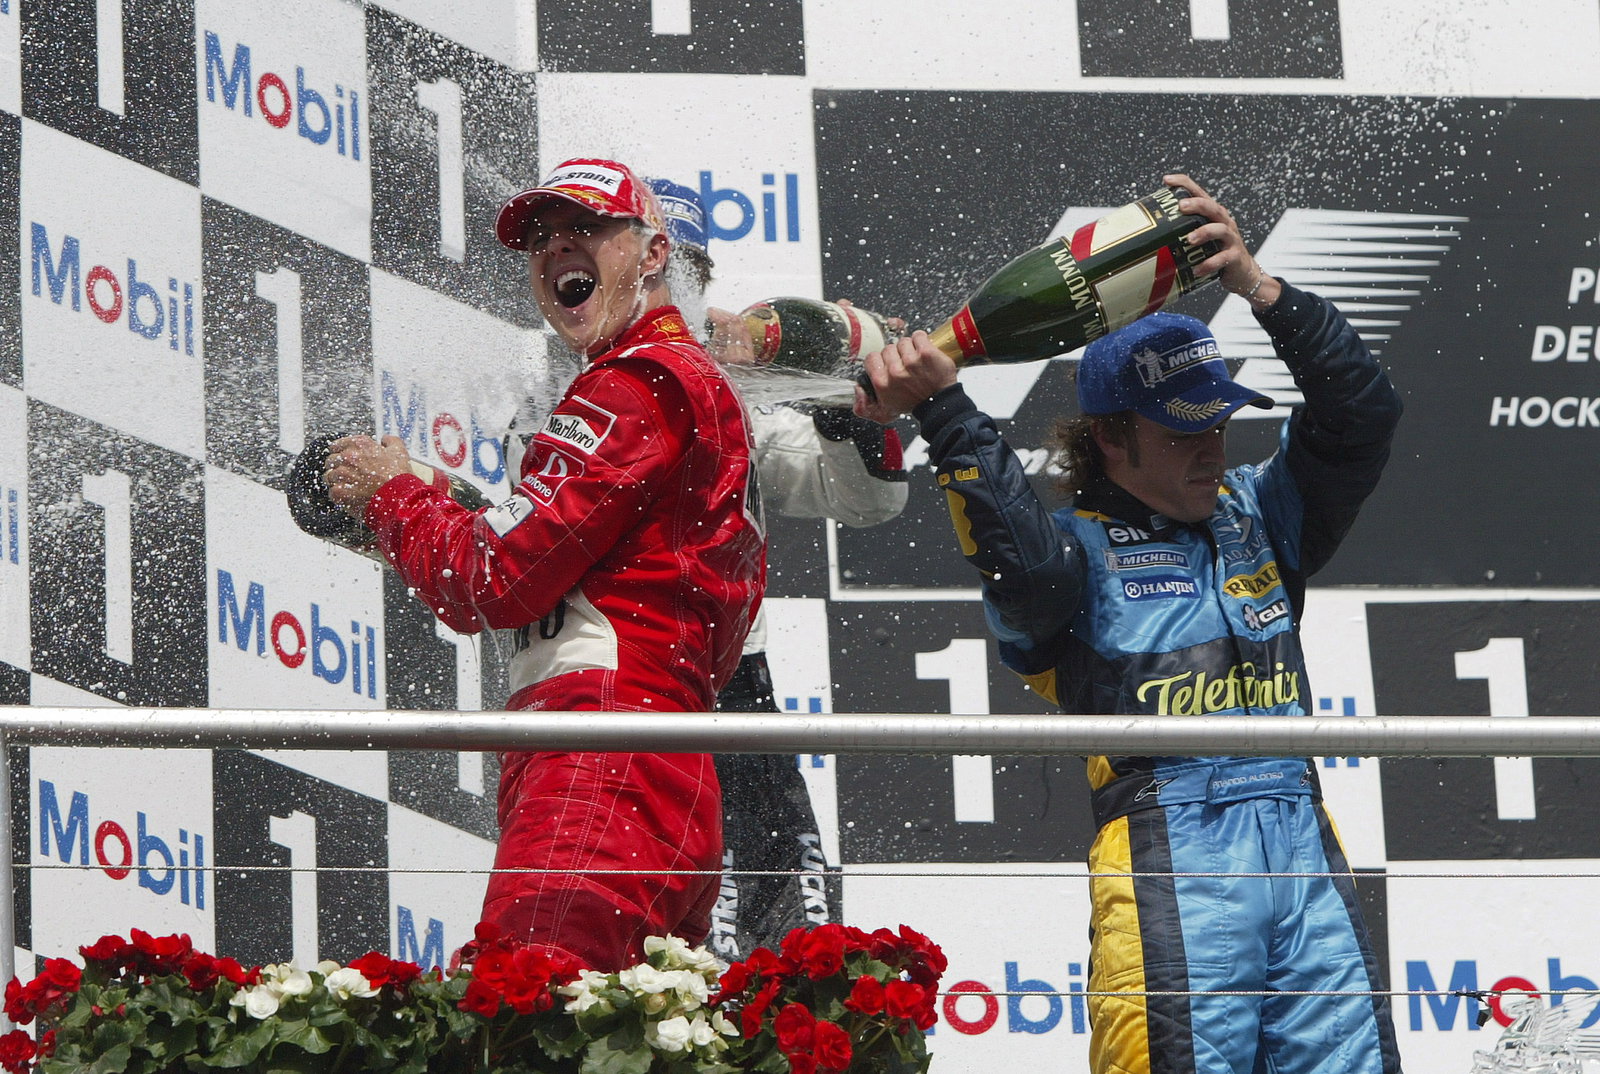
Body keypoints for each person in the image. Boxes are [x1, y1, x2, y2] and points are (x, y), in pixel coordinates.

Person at [858, 175, 1404, 1074]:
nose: (1213, 447)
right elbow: (1017, 560)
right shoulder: (1069, 559)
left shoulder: (1262, 511)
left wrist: (1262, 292)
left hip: (1305, 846)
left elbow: (1363, 416)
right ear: (1109, 439)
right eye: (1185, 431)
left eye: (1220, 422)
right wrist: (947, 411)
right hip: (1167, 855)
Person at [322, 158, 765, 970]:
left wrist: (392, 498)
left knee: (521, 1021)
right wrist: (433, 505)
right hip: (655, 764)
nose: (558, 247)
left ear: (655, 252)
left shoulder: (636, 385)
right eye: (540, 239)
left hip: (599, 759)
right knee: (622, 1047)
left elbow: (488, 579)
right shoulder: (677, 386)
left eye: (588, 228)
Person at [647, 177, 908, 960]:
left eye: (692, 273)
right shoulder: (550, 379)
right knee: (629, 945)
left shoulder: (735, 393)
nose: (677, 293)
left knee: (787, 952)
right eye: (661, 269)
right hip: (616, 688)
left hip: (731, 686)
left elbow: (865, 499)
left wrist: (836, 389)